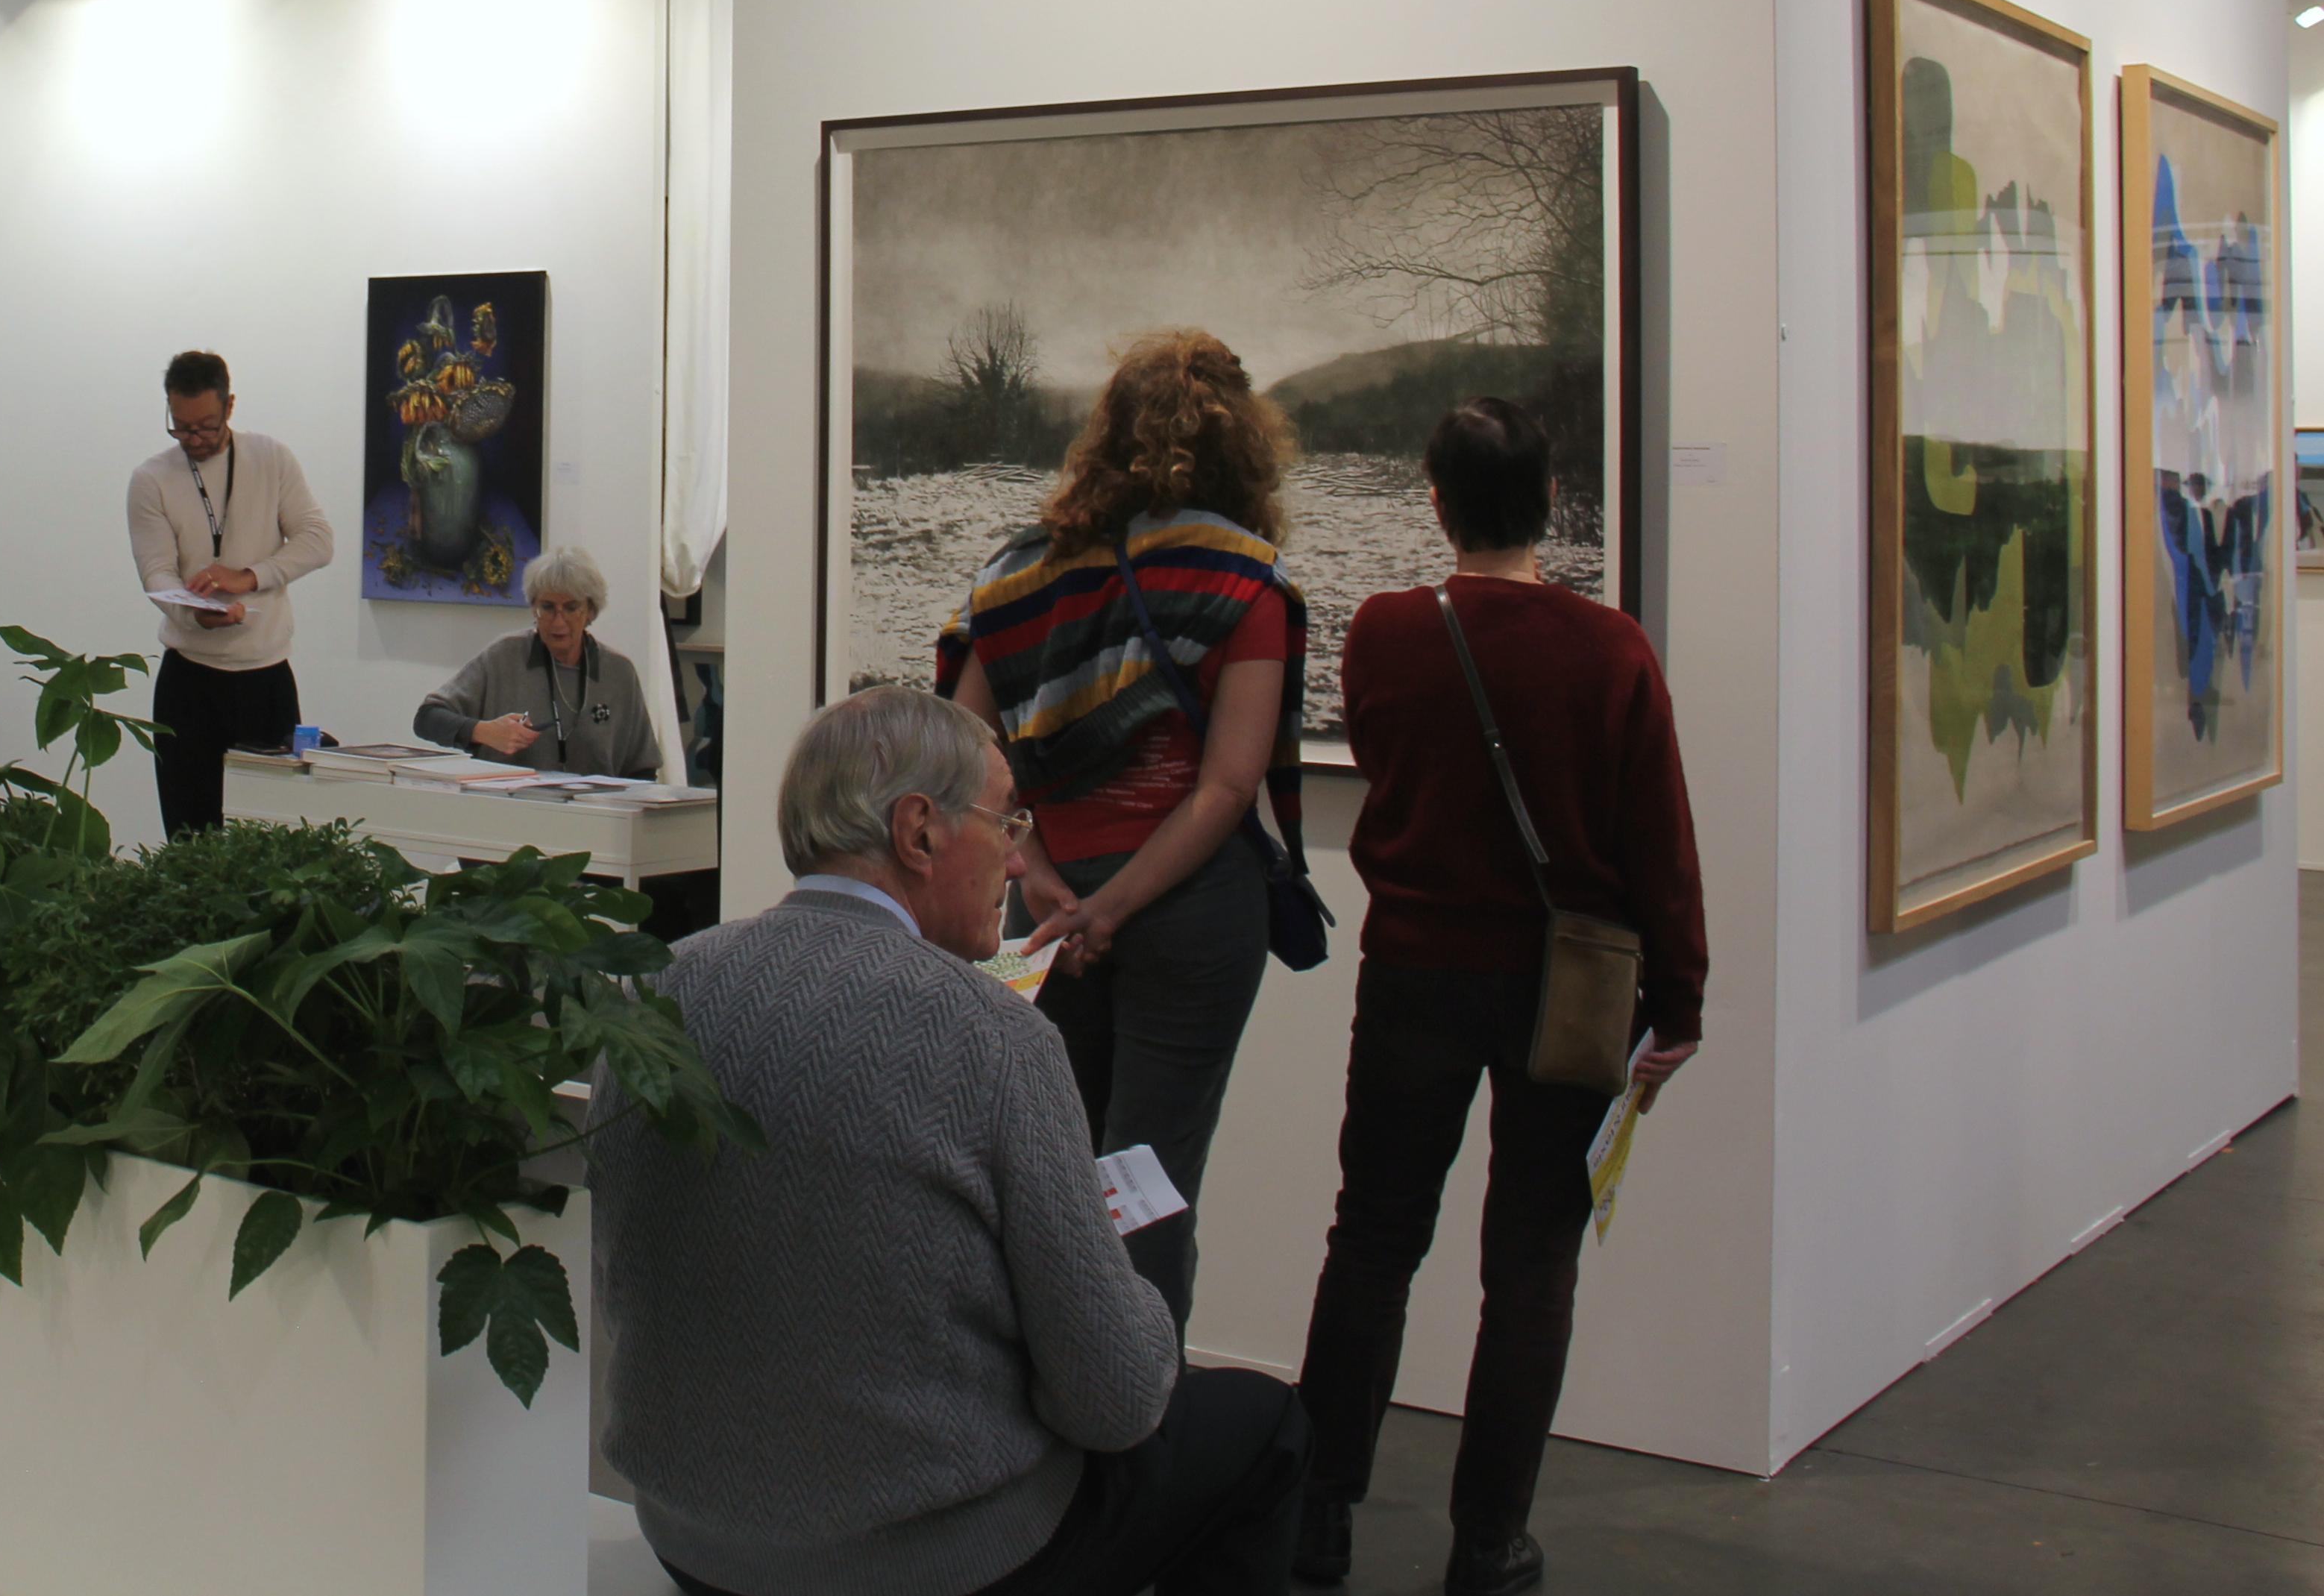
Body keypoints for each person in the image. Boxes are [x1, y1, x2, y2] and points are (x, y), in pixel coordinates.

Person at [589, 685, 1305, 1596]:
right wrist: (1138, 1291)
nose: (1018, 860)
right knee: (1267, 1427)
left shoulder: (653, 995)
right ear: (919, 831)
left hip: (693, 1540)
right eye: (1006, 823)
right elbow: (1116, 1402)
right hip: (935, 1562)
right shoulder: (993, 1036)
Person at [1289, 400, 1705, 1596]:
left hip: (1414, 970)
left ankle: (1319, 1514)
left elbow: (1386, 766)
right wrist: (1679, 1001)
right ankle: (1488, 1541)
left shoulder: (1385, 630)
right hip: (1564, 987)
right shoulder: (1611, 650)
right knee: (1529, 1264)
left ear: (1436, 501)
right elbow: (1658, 841)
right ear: (1552, 501)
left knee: (1372, 1237)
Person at [939, 327, 1304, 1333]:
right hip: (1189, 912)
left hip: (1048, 910)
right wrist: (1113, 908)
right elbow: (1225, 788)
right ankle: (1141, 1413)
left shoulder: (1017, 574)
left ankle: (1052, 1411)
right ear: (1242, 444)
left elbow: (964, 755)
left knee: (1055, 1178)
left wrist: (1037, 872)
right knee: (1150, 1181)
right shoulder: (1244, 579)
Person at [125, 348, 332, 840]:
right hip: (189, 682)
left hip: (267, 678)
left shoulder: (271, 458)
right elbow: (157, 573)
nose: (194, 439)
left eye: (207, 426)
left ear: (230, 406)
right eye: (181, 428)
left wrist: (250, 575)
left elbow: (317, 541)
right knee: (190, 837)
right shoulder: (151, 479)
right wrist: (193, 614)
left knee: (273, 838)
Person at [412, 546, 669, 779]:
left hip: (594, 812)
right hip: (510, 808)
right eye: (547, 607)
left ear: (590, 611)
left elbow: (642, 769)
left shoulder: (618, 672)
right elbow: (427, 718)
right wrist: (483, 731)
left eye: (571, 608)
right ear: (533, 607)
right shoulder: (504, 656)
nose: (558, 621)